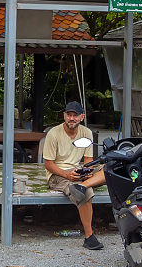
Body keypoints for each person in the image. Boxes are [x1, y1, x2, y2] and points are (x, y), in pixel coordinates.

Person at [43, 101, 106, 250]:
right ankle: (89, 236)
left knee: (110, 169)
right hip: (58, 174)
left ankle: (83, 185)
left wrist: (86, 171)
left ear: (82, 117)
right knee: (86, 193)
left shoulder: (87, 132)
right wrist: (67, 174)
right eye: (69, 115)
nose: (72, 118)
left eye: (75, 115)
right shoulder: (54, 133)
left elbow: (88, 160)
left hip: (78, 171)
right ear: (64, 116)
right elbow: (48, 164)